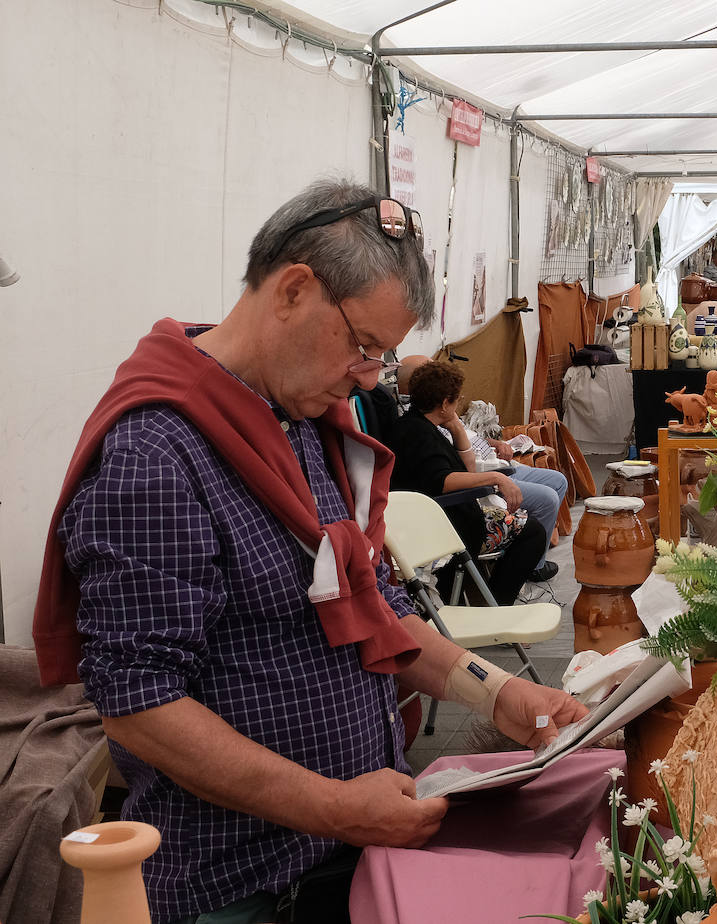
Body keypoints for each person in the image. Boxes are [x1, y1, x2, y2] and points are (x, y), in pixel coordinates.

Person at [33, 179, 586, 924]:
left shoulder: (300, 420)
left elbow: (376, 606)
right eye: (363, 346)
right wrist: (334, 807)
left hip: (340, 859)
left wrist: (494, 691)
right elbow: (141, 706)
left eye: (383, 356)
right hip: (242, 889)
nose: (369, 376)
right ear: (294, 290)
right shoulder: (158, 455)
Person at [387, 361, 551, 603]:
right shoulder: (417, 434)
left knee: (528, 526)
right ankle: (496, 604)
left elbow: (467, 470)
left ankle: (490, 601)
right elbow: (443, 480)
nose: (458, 403)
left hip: (445, 515)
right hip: (444, 525)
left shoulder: (421, 425)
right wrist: (496, 477)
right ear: (445, 403)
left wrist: (456, 428)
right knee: (533, 533)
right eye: (457, 399)